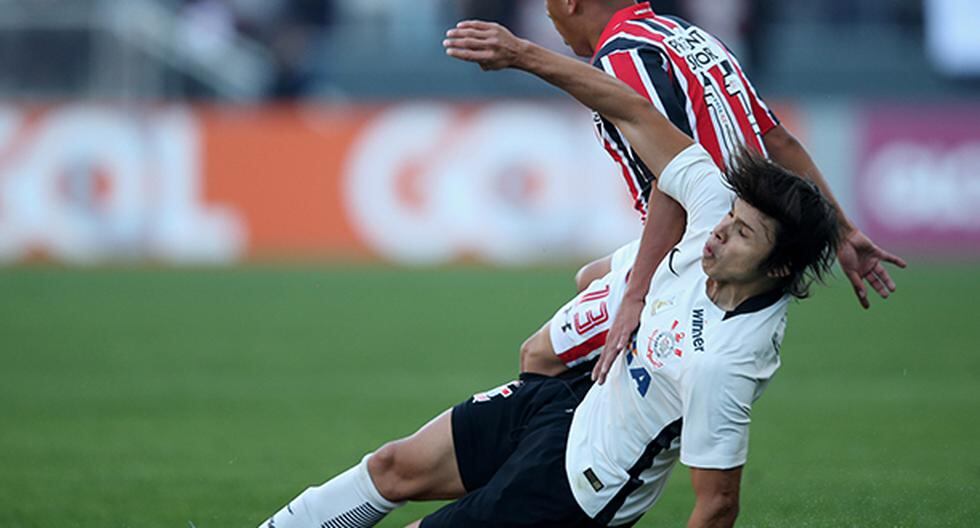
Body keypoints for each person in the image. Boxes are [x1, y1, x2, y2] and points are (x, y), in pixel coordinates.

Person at [258, 22, 843, 528]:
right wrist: (521, 54)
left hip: (576, 486)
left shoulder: (725, 360)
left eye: (741, 234)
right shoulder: (713, 208)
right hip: (569, 402)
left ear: (780, 266)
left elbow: (716, 508)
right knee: (393, 465)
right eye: (731, 219)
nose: (718, 232)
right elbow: (632, 109)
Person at [509, 0, 905, 380]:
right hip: (745, 239)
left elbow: (673, 182)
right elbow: (779, 140)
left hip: (704, 250)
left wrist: (637, 296)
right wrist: (842, 230)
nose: (554, 28)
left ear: (571, 2)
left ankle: (594, 440)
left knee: (538, 357)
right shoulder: (691, 37)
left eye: (550, 10)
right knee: (589, 280)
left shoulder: (623, 56)